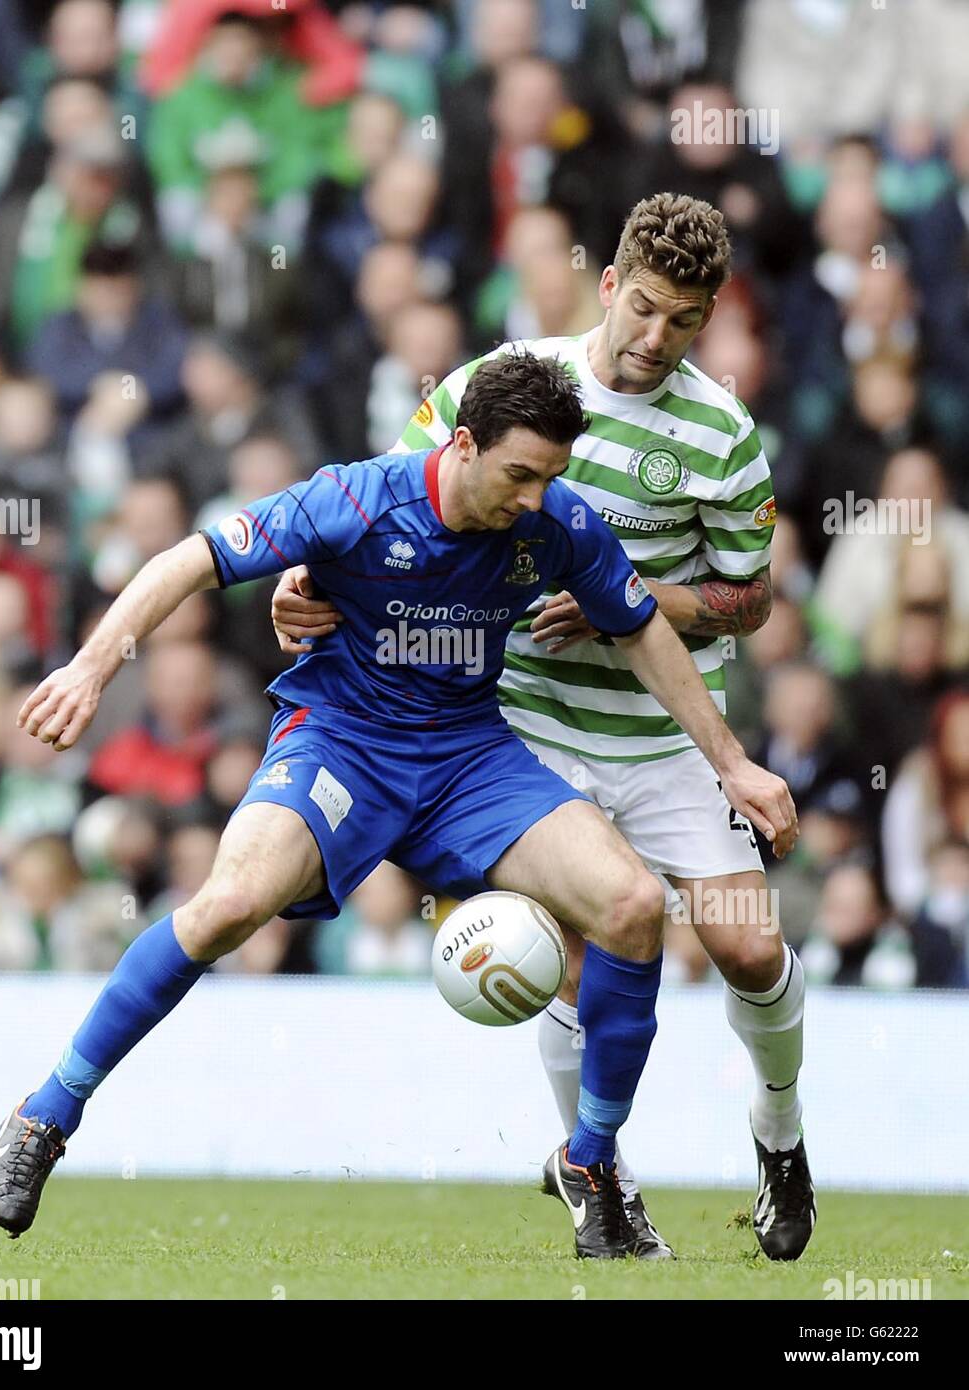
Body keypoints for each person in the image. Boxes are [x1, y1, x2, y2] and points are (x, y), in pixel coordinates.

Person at [0, 351, 796, 1259]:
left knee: (635, 908)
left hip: (467, 759)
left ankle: (591, 1165)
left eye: (550, 478)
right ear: (463, 443)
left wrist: (731, 765)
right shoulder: (357, 499)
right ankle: (43, 1118)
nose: (533, 498)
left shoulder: (557, 521)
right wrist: (92, 667)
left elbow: (643, 630)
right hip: (343, 744)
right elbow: (191, 559)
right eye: (519, 474)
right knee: (228, 907)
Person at [273, 192, 817, 1261]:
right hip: (521, 724)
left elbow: (749, 600)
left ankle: (781, 1137)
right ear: (606, 286)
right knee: (577, 953)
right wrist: (299, 580)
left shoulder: (720, 433)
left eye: (686, 321)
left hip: (662, 738)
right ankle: (597, 1171)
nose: (658, 338)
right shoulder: (510, 380)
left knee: (750, 946)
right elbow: (391, 505)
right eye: (645, 309)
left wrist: (633, 596)